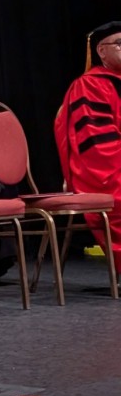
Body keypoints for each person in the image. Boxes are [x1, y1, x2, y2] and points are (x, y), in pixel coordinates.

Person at [55, 20, 121, 275]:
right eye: (119, 43)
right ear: (101, 51)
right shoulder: (90, 85)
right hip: (104, 171)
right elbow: (96, 147)